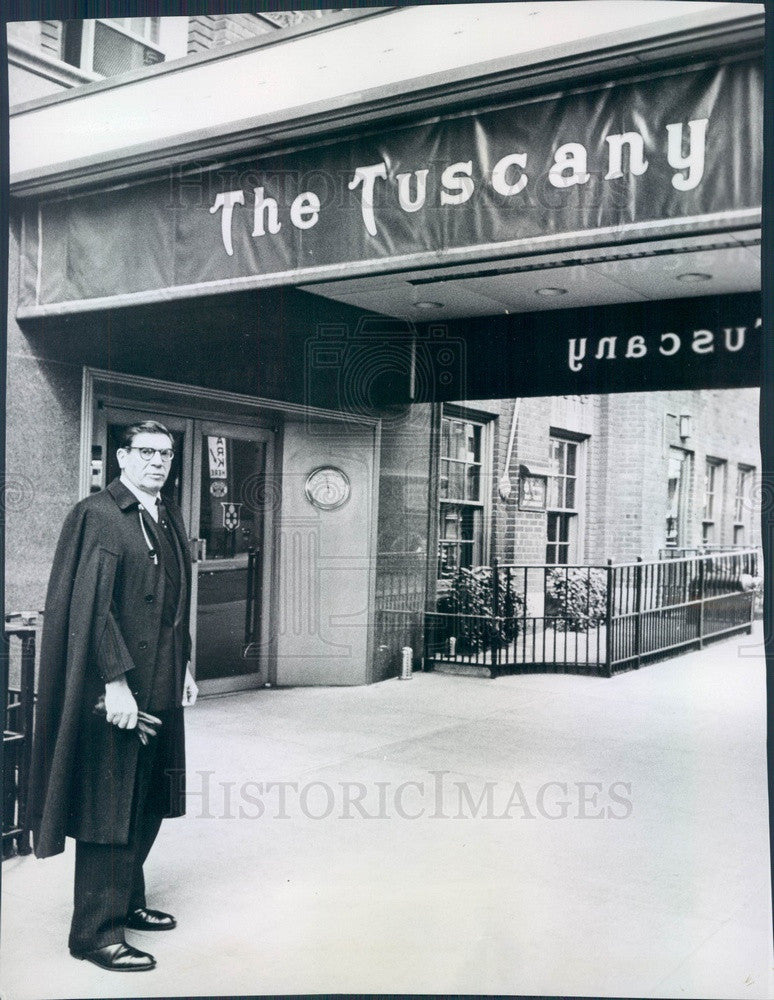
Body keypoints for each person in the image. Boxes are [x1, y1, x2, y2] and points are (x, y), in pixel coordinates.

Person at [29, 420, 198, 972]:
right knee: (109, 806)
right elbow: (90, 610)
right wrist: (115, 682)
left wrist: (187, 667)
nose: (157, 462)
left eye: (165, 453)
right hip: (118, 689)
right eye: (145, 452)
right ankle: (95, 934)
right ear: (122, 457)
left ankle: (128, 900)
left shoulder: (166, 514)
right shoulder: (98, 515)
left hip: (163, 680)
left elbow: (175, 605)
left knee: (148, 797)